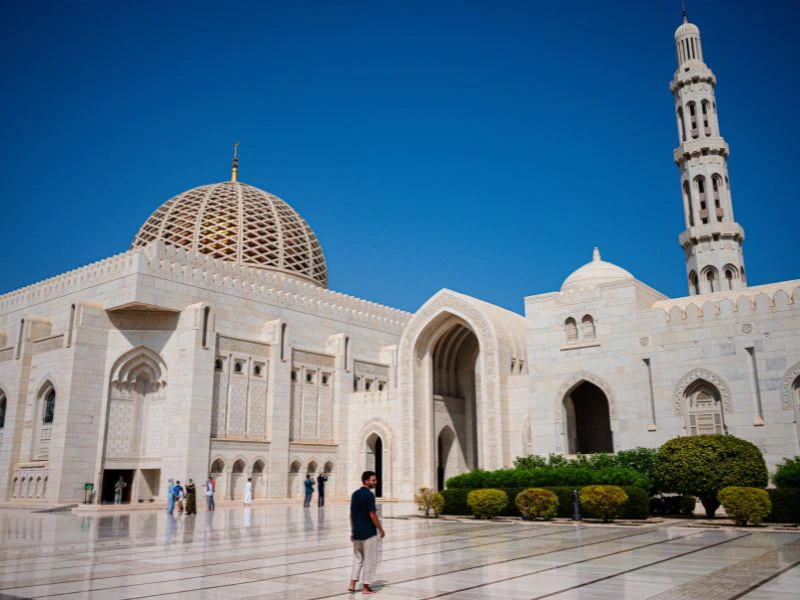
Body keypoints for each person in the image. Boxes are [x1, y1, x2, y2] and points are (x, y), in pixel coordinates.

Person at [348, 471, 385, 595]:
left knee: (357, 559)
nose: (375, 482)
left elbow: (351, 514)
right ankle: (366, 587)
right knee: (370, 559)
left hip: (357, 532)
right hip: (369, 533)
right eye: (373, 480)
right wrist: (380, 529)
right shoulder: (369, 495)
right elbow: (372, 514)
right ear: (366, 481)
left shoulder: (355, 494)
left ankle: (352, 584)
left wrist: (353, 530)